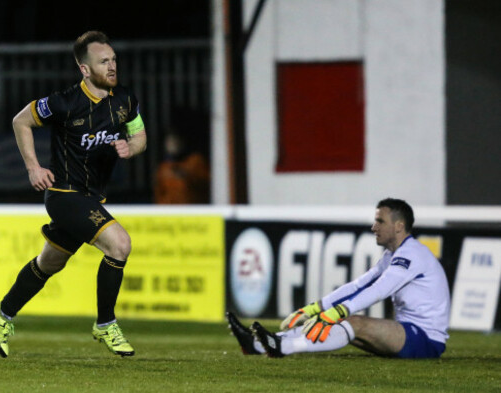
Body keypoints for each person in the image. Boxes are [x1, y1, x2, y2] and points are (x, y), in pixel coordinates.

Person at [0, 31, 147, 358]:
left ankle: (2, 312)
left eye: (114, 59)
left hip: (92, 198)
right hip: (64, 195)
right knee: (120, 244)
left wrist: (130, 147)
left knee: (49, 263)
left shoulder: (125, 99)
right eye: (104, 61)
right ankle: (105, 324)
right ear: (85, 69)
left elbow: (140, 136)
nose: (112, 66)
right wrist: (33, 167)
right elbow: (20, 121)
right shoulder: (64, 102)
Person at [227, 198, 451, 359]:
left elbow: (380, 290)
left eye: (380, 221)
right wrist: (315, 308)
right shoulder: (392, 255)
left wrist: (338, 311)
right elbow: (360, 285)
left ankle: (283, 347)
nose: (374, 227)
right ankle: (257, 344)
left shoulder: (412, 254)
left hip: (426, 340)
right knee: (335, 322)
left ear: (399, 226)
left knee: (351, 321)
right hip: (408, 332)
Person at [154, 129, 210, 204]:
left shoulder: (196, 161)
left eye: (176, 140)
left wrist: (188, 175)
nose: (173, 144)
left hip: (193, 211)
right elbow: (159, 194)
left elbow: (207, 183)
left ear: (183, 141)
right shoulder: (163, 168)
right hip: (170, 213)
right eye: (170, 141)